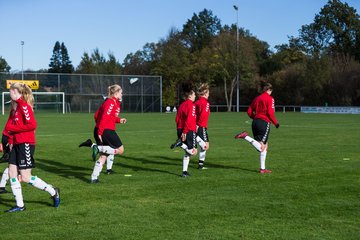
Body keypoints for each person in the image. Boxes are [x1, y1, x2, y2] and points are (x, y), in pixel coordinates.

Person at [5, 83, 60, 212]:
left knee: (25, 177)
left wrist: (12, 129)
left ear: (15, 91)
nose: (9, 94)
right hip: (17, 144)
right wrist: (11, 140)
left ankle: (53, 191)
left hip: (26, 144)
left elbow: (32, 125)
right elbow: (13, 128)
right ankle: (20, 205)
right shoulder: (16, 108)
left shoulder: (24, 106)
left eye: (10, 91)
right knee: (11, 172)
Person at [79, 84, 126, 183]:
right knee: (120, 150)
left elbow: (97, 116)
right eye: (121, 92)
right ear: (116, 93)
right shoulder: (110, 102)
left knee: (103, 156)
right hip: (105, 131)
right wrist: (100, 131)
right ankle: (96, 147)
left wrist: (118, 120)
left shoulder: (112, 102)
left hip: (101, 129)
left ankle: (94, 178)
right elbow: (104, 117)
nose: (122, 94)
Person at [234, 82, 279, 174]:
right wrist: (275, 123)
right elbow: (270, 113)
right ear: (269, 90)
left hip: (255, 122)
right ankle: (245, 136)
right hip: (264, 122)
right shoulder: (270, 99)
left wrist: (254, 118)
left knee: (264, 145)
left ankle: (262, 169)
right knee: (262, 147)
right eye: (271, 91)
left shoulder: (257, 98)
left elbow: (249, 111)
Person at [170, 82, 198, 177]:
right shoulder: (191, 105)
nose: (195, 96)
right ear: (190, 95)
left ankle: (184, 172)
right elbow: (190, 118)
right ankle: (180, 144)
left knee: (187, 153)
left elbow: (177, 119)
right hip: (188, 130)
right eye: (194, 94)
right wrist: (185, 131)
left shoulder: (182, 105)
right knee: (193, 152)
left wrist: (180, 130)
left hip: (180, 129)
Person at [195, 83, 210, 169]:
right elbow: (203, 115)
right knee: (205, 146)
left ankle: (201, 165)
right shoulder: (205, 103)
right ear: (204, 93)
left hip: (198, 125)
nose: (209, 95)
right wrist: (198, 125)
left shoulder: (196, 102)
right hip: (201, 126)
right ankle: (195, 137)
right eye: (208, 93)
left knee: (205, 146)